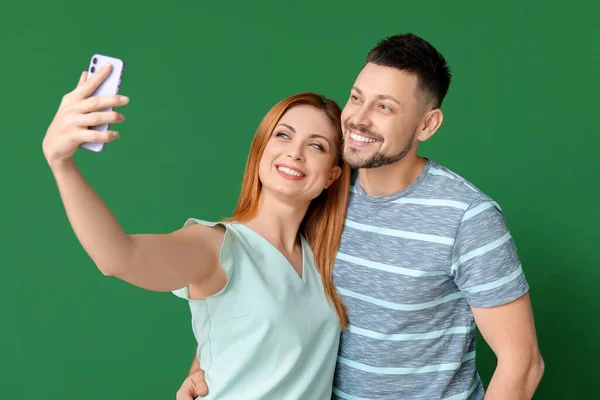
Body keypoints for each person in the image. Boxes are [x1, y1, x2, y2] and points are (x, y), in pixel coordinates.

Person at [178, 33, 545, 399]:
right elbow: (246, 292)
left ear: (427, 125)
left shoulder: (467, 217)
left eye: (385, 107)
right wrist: (205, 368)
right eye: (357, 97)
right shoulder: (324, 186)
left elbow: (523, 363)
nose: (358, 119)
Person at [42, 65, 354, 399]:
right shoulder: (218, 245)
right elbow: (119, 258)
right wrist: (61, 164)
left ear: (333, 176)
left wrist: (201, 366)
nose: (295, 152)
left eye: (316, 146)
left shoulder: (322, 258)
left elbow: (249, 333)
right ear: (262, 147)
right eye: (283, 135)